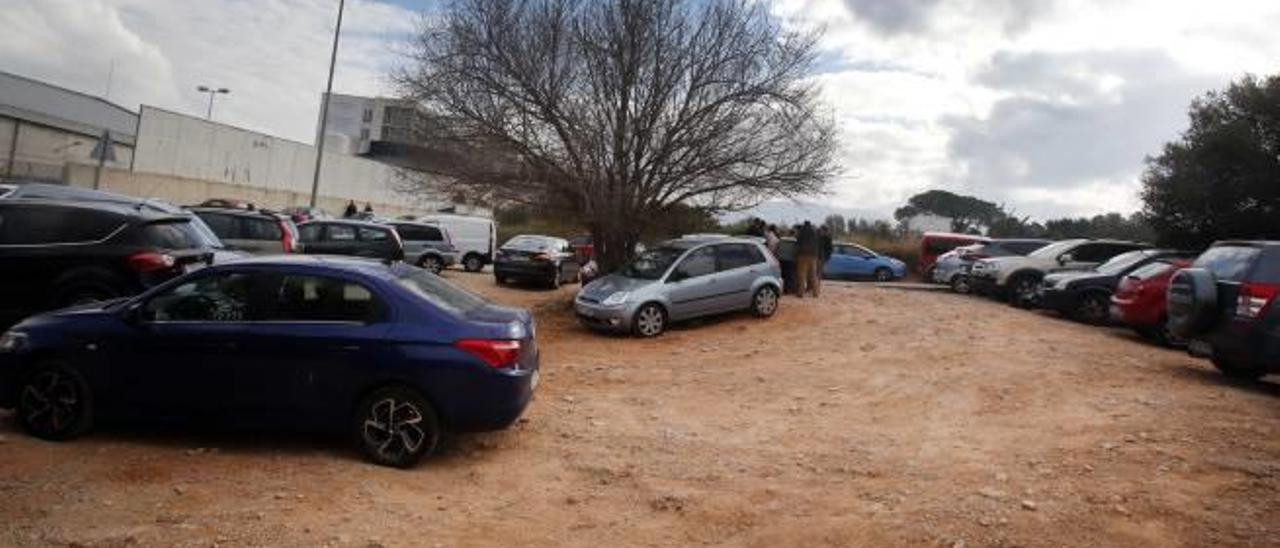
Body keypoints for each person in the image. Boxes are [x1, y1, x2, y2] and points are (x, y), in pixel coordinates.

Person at [795, 221, 821, 298]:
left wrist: (796, 254)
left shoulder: (801, 233)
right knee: (813, 275)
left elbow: (797, 244)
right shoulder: (814, 233)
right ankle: (815, 293)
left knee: (801, 275)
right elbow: (817, 244)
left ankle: (800, 293)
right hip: (813, 256)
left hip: (802, 255)